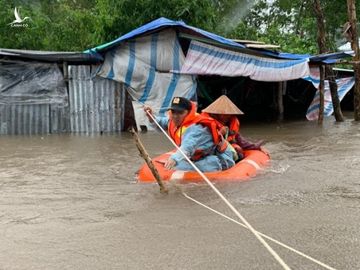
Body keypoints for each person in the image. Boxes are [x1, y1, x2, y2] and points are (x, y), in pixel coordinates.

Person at [144, 97, 235, 172]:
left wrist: (174, 159)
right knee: (179, 165)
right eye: (173, 112)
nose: (175, 116)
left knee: (178, 167)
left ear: (188, 112)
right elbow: (161, 122)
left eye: (180, 112)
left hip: (217, 158)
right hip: (197, 156)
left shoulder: (197, 128)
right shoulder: (173, 120)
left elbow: (188, 146)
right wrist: (151, 116)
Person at [202, 95, 265, 161]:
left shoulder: (230, 123)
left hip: (225, 147)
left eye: (229, 114)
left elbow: (241, 140)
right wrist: (220, 133)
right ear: (216, 114)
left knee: (239, 151)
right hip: (212, 149)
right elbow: (206, 142)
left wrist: (256, 147)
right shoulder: (206, 124)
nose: (227, 116)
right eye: (224, 114)